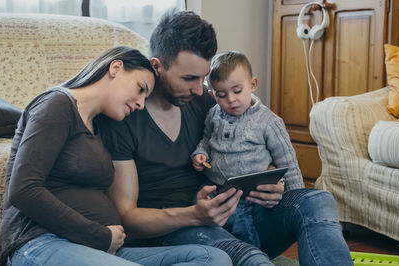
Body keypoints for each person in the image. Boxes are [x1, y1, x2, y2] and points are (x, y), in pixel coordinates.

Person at [99, 10, 354, 266]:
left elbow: (250, 133)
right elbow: (126, 216)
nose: (201, 90)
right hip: (177, 230)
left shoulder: (205, 103)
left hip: (237, 214)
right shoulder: (125, 116)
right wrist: (193, 215)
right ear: (157, 66)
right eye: (189, 78)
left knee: (317, 201)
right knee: (248, 257)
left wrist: (276, 186)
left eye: (204, 78)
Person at [0, 46, 232, 266]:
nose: (141, 103)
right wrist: (99, 235)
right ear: (116, 68)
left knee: (212, 258)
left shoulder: (98, 125)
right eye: (140, 89)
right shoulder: (56, 104)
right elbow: (23, 190)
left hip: (98, 249)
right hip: (42, 243)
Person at [190, 50, 305, 247]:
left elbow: (287, 161)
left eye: (237, 91)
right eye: (222, 95)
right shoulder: (213, 115)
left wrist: (295, 197)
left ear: (252, 85)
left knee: (241, 225)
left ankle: (252, 255)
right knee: (196, 207)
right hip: (216, 186)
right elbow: (206, 139)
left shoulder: (268, 122)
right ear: (212, 94)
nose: (231, 100)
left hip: (248, 192)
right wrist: (200, 153)